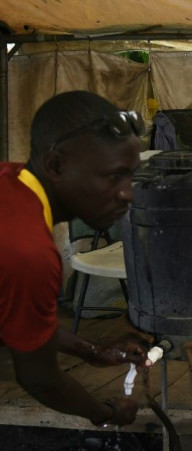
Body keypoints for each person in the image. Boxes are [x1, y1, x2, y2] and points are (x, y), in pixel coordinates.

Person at [0, 91, 151, 427]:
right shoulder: (29, 253)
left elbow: (17, 317)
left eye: (131, 175)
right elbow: (39, 378)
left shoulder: (10, 181)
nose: (128, 192)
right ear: (55, 166)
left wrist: (91, 351)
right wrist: (106, 413)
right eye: (113, 176)